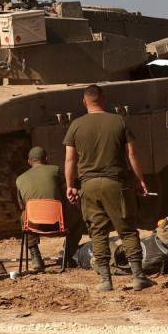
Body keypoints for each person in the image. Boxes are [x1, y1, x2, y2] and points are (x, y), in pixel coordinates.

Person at [64, 85, 154, 293]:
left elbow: (70, 159)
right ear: (103, 100)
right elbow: (131, 155)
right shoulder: (118, 121)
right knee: (128, 230)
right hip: (116, 183)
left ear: (84, 102)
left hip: (89, 185)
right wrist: (140, 180)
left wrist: (70, 186)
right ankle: (139, 277)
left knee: (98, 232)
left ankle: (105, 280)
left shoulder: (76, 126)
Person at [15, 146, 82, 272]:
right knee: (78, 219)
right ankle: (67, 255)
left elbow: (21, 206)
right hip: (57, 223)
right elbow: (67, 192)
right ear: (46, 159)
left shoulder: (20, 179)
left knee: (24, 215)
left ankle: (35, 256)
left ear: (29, 162)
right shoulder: (55, 170)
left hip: (34, 226)